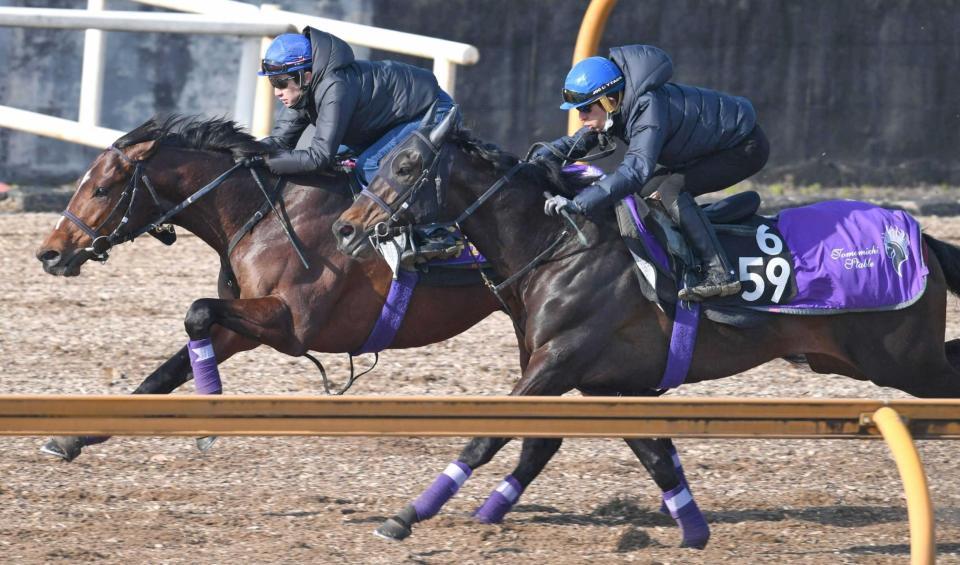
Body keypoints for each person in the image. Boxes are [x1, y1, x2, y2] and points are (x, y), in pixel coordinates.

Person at [536, 46, 769, 302]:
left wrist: (578, 203)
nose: (580, 117)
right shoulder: (619, 104)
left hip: (745, 147)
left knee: (670, 190)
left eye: (585, 109)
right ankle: (691, 243)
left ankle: (721, 275)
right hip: (710, 148)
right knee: (647, 191)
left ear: (609, 101)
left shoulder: (648, 106)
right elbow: (575, 144)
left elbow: (635, 170)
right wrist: (531, 164)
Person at [254, 28, 456, 184]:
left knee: (368, 165)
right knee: (341, 159)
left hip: (431, 109)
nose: (277, 92)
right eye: (273, 82)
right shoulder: (303, 89)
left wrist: (265, 161)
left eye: (281, 83)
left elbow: (318, 157)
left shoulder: (335, 86)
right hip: (391, 119)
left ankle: (426, 231)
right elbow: (280, 142)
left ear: (306, 77)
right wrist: (245, 152)